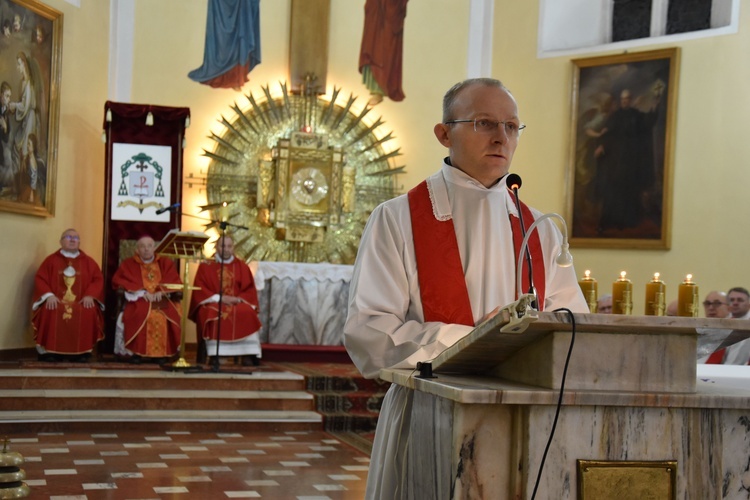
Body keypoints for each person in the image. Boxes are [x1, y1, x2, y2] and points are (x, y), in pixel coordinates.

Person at [344, 78, 588, 499]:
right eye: (483, 123)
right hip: (430, 413)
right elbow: (369, 333)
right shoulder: (398, 219)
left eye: (512, 126)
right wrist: (476, 341)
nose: (501, 137)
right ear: (444, 133)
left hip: (528, 422)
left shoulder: (539, 228)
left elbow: (573, 328)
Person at [31, 228, 104, 362]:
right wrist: (49, 296)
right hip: (56, 300)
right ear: (61, 241)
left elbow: (98, 279)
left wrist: (90, 295)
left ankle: (82, 352)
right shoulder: (51, 260)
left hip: (81, 300)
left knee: (88, 309)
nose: (72, 240)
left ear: (79, 242)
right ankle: (50, 352)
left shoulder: (89, 262)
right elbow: (40, 278)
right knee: (50, 309)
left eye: (75, 238)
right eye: (68, 237)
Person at [189, 234, 262, 366]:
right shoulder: (206, 266)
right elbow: (200, 289)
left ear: (233, 248)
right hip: (213, 302)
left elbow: (249, 289)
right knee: (212, 313)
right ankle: (216, 354)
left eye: (229, 246)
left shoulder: (241, 266)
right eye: (223, 246)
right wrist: (220, 298)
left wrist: (238, 299)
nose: (226, 249)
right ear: (216, 247)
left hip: (237, 302)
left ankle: (247, 353)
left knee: (247, 312)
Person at [112, 235, 182, 363]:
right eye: (142, 246)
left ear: (154, 248)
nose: (146, 249)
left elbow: (174, 280)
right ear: (137, 249)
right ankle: (137, 354)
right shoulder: (129, 264)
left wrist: (161, 291)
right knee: (139, 315)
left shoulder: (165, 263)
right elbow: (118, 280)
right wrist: (140, 291)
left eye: (149, 246)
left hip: (161, 300)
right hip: (139, 300)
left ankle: (162, 354)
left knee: (163, 315)